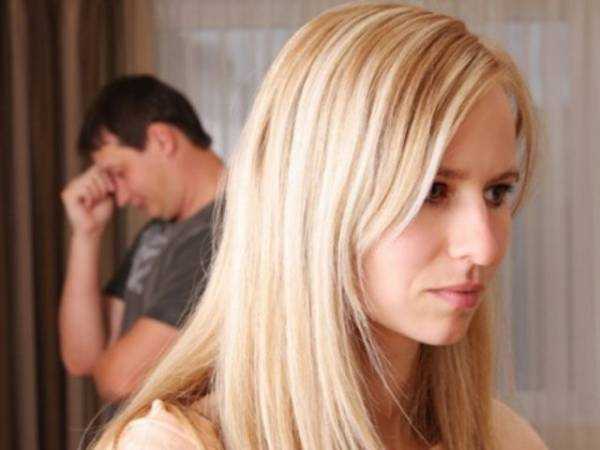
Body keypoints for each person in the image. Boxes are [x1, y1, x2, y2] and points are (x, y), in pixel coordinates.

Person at [92, 3, 548, 449]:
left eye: (497, 193)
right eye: (431, 191)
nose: (484, 247)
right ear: (318, 201)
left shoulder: (505, 439)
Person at [59, 75, 224, 404]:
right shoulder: (158, 230)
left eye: (119, 173)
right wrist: (86, 235)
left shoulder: (225, 229)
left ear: (162, 140)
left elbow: (120, 378)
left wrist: (112, 360)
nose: (119, 198)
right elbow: (81, 358)